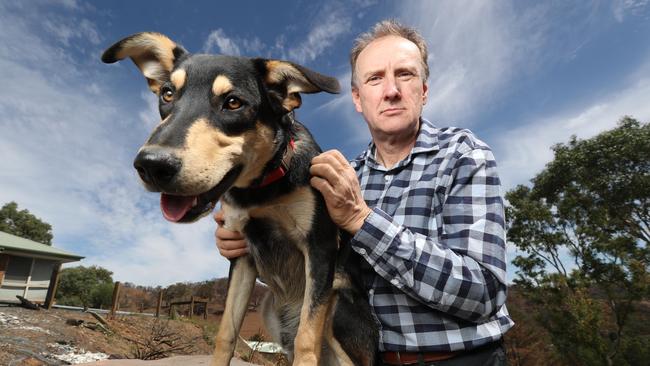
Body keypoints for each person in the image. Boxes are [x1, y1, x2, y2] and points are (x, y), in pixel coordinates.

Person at [215, 19, 513, 366]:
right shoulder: (342, 178)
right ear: (357, 98)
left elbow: (483, 293)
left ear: (425, 90)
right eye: (374, 78)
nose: (391, 91)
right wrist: (250, 241)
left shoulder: (463, 154)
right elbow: (310, 273)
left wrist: (361, 220)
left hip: (462, 358)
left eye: (405, 74)